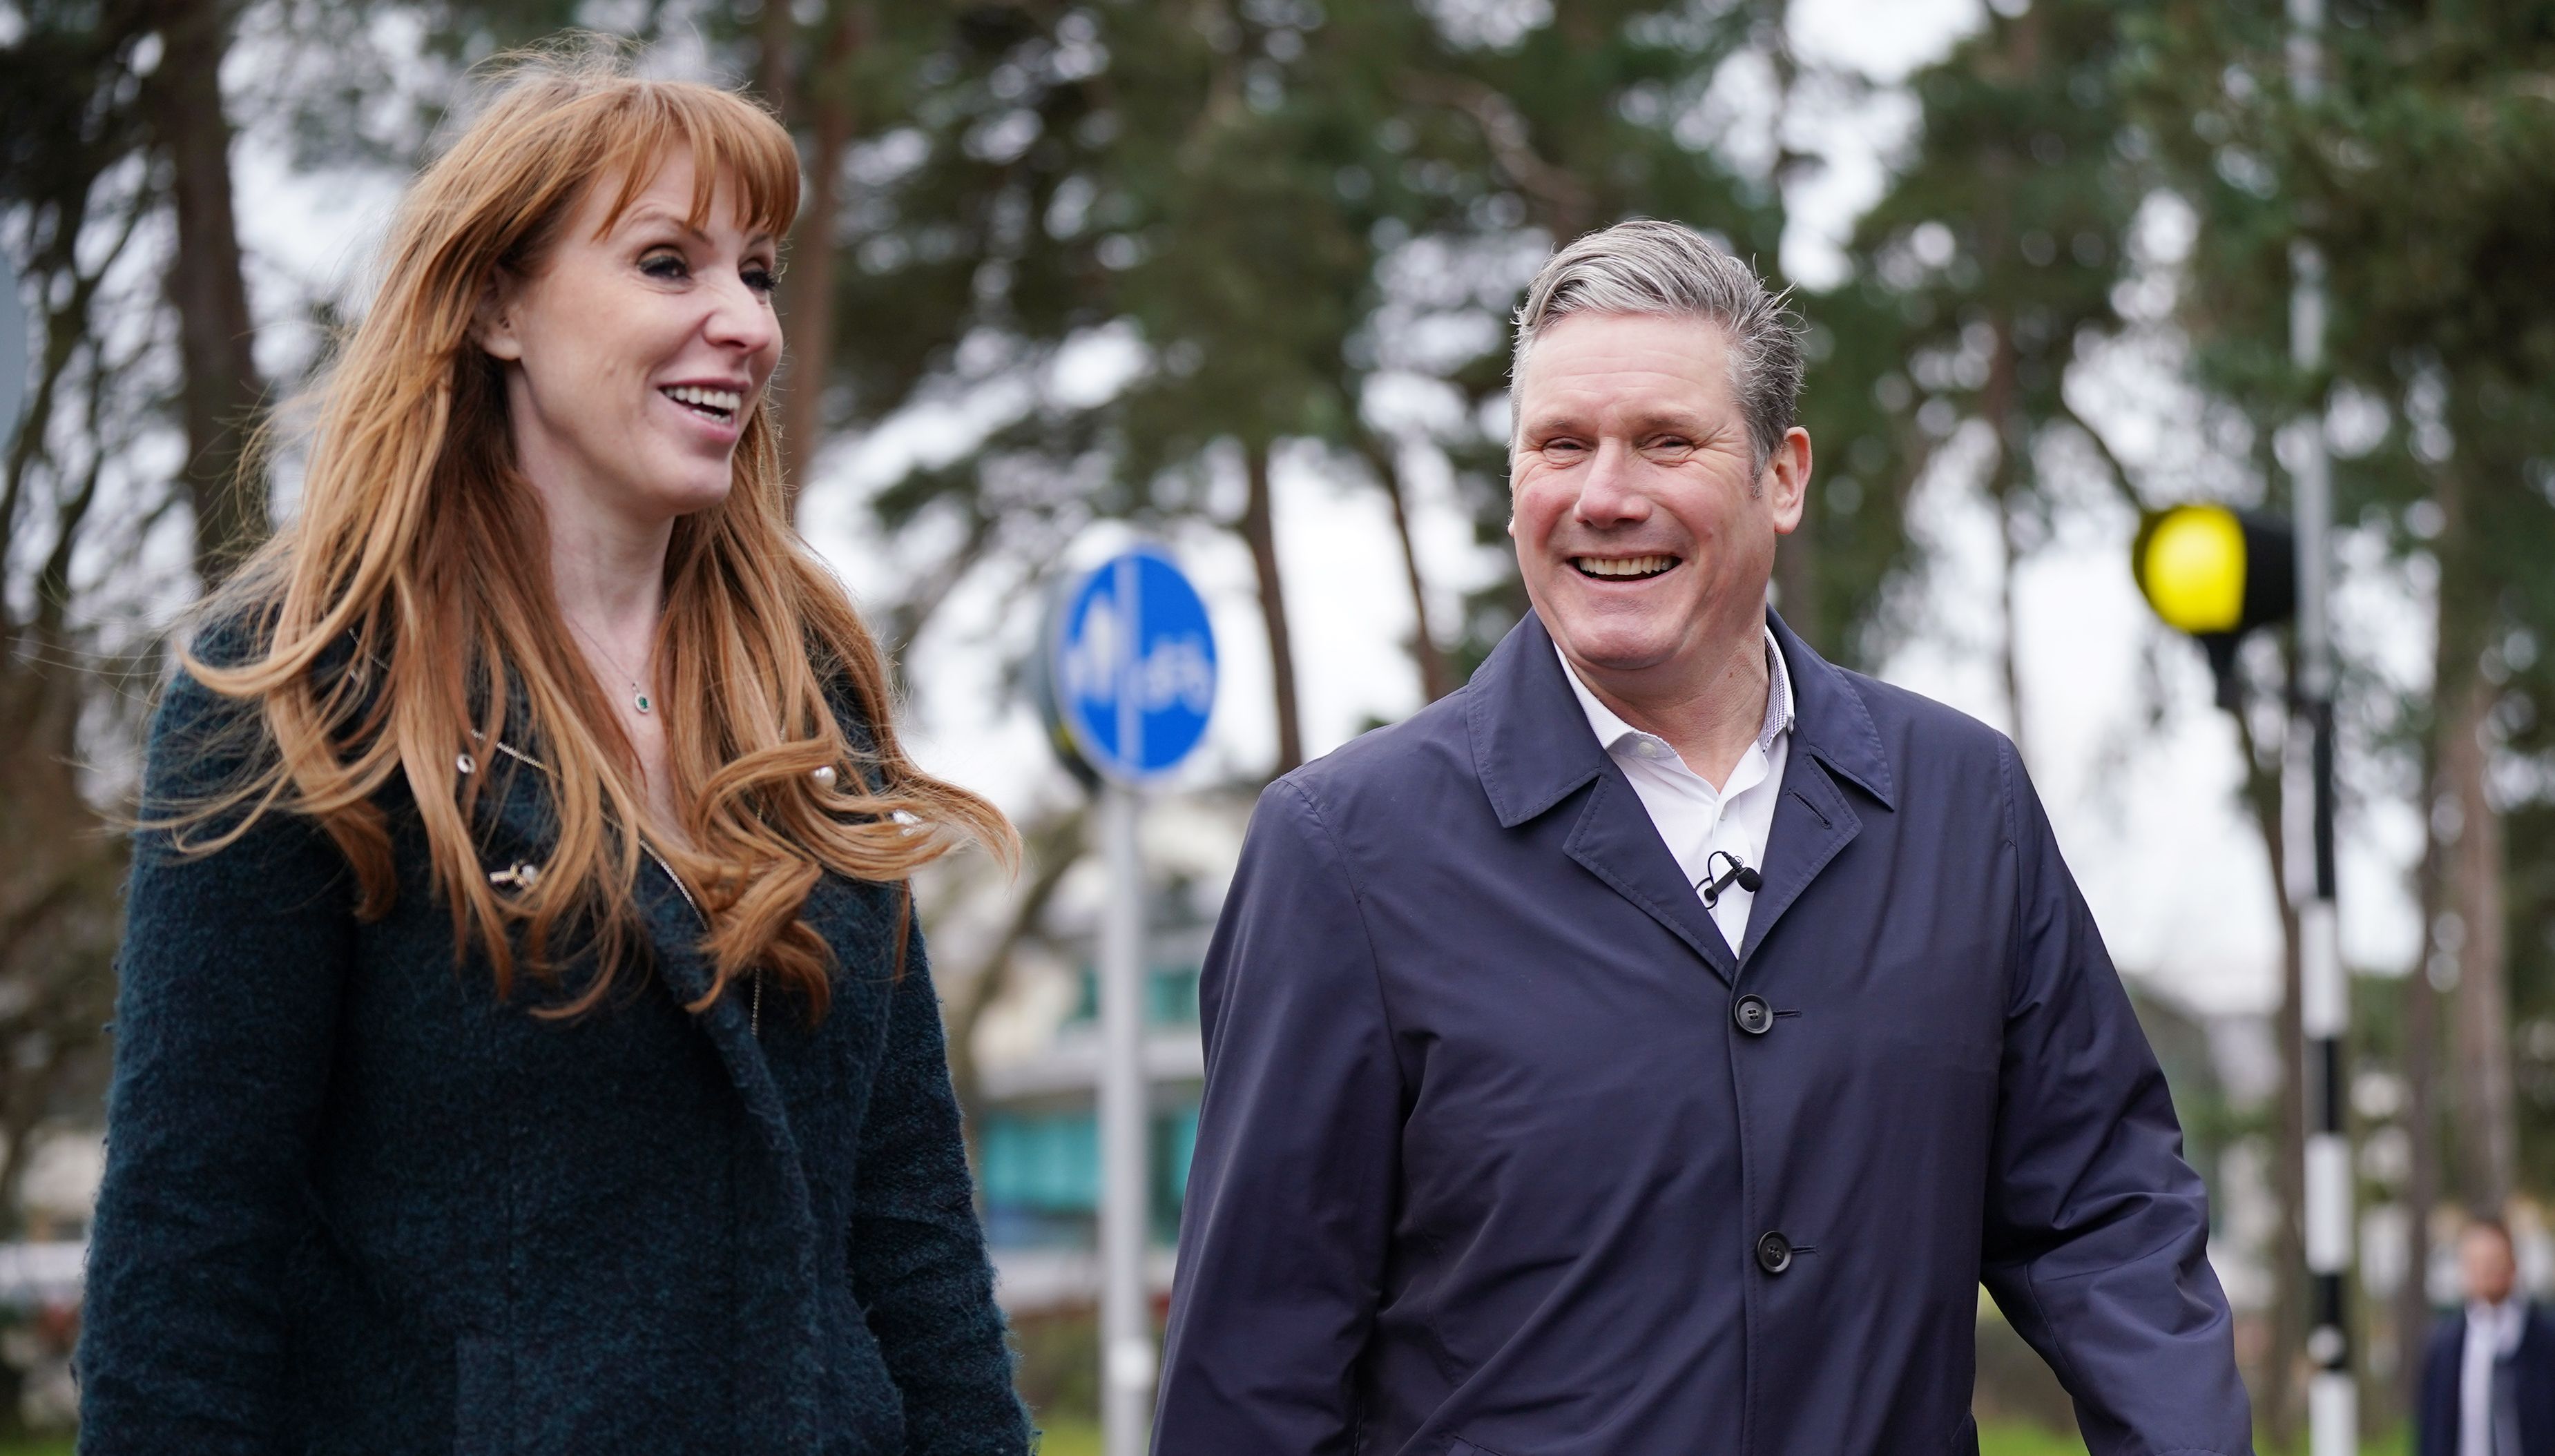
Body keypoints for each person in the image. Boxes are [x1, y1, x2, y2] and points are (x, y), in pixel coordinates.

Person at [1153, 220, 2251, 1455]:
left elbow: (2104, 1214)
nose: (1604, 494)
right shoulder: (1342, 851)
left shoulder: (1963, 803)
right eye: (1560, 444)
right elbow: (1253, 1369)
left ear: (1781, 476)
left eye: (1666, 441)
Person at [75, 53, 1030, 1455]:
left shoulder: (805, 694)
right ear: (492, 303)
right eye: (667, 263)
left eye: (757, 273)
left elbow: (908, 1228)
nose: (744, 323)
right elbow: (186, 1252)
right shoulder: (300, 689)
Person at [2419, 1217, 2555, 1456]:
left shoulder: (2544, 1340)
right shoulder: (2444, 1345)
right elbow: (2431, 1429)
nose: (2486, 1271)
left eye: (2494, 1261)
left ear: (2513, 1264)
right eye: (2477, 1262)